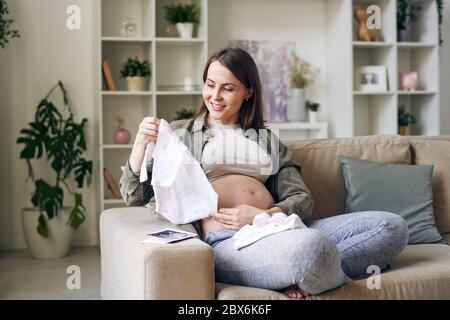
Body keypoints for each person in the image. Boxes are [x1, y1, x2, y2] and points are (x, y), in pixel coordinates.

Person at [120, 47, 409, 298]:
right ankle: (313, 269)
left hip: (283, 227)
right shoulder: (182, 133)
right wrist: (139, 145)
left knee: (392, 226)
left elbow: (301, 198)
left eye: (227, 88)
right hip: (228, 241)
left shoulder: (268, 140)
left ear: (248, 92)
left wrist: (265, 214)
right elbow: (135, 197)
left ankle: (307, 273)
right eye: (210, 85)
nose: (215, 96)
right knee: (311, 249)